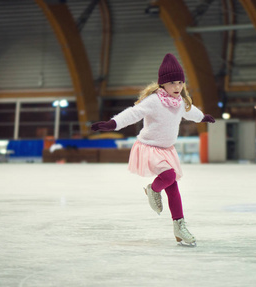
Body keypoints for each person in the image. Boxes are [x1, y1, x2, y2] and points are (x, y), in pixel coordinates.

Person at [91, 53, 215, 246]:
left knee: (173, 188)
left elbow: (192, 112)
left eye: (180, 82)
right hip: (149, 148)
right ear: (163, 84)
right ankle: (152, 189)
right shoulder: (154, 101)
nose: (178, 87)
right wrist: (112, 124)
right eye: (173, 83)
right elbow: (133, 114)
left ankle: (179, 226)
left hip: (167, 150)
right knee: (169, 177)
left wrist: (203, 117)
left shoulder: (180, 102)